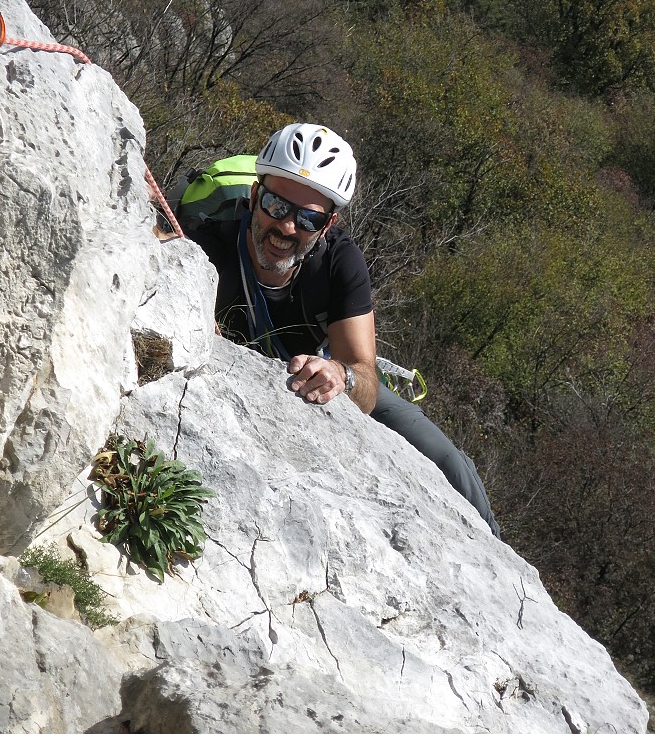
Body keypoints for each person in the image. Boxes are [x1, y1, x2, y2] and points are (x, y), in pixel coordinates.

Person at [188, 122, 501, 538]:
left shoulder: (338, 263)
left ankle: (496, 549)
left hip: (320, 370)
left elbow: (366, 383)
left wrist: (342, 375)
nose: (286, 228)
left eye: (307, 218)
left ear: (328, 224)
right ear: (253, 195)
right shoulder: (205, 245)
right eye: (276, 206)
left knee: (448, 460)